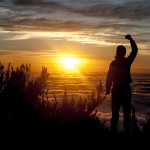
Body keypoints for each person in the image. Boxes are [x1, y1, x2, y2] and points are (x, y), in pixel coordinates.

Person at [106, 34, 138, 133]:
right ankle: (126, 133)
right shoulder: (126, 62)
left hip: (117, 90)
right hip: (124, 90)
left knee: (116, 114)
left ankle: (114, 133)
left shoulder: (114, 63)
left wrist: (108, 89)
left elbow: (109, 77)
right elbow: (135, 51)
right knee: (125, 114)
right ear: (123, 53)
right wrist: (131, 40)